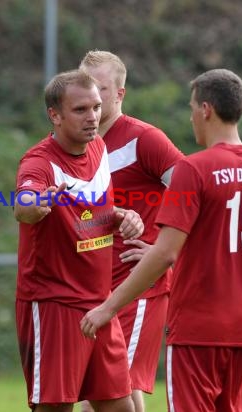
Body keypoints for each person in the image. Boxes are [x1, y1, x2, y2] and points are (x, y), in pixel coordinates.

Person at [80, 69, 242, 412]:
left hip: (199, 323)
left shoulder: (194, 170)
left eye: (192, 107)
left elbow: (166, 254)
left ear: (206, 110)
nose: (192, 116)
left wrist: (108, 307)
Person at [14, 69, 144, 412]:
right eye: (81, 110)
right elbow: (24, 203)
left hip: (100, 305)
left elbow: (96, 209)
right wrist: (35, 204)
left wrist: (122, 216)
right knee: (56, 408)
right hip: (54, 304)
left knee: (121, 407)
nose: (93, 117)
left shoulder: (98, 147)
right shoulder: (39, 162)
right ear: (54, 115)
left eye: (97, 107)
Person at [79, 50, 184, 412]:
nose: (91, 97)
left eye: (101, 89)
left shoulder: (145, 139)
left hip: (138, 286)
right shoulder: (76, 144)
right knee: (117, 393)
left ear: (120, 94)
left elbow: (197, 195)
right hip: (94, 286)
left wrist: (162, 248)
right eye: (85, 86)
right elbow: (84, 215)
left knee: (102, 395)